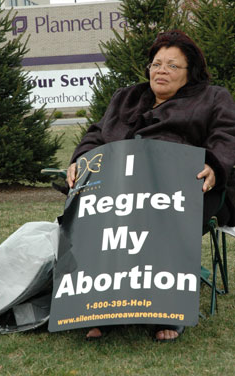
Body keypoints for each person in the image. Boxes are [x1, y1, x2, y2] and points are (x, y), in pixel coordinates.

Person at [67, 30, 235, 341]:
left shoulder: (214, 98)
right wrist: (80, 159)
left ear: (190, 73)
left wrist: (214, 165)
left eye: (172, 66)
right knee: (93, 215)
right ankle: (98, 308)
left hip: (192, 190)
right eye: (157, 64)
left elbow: (226, 138)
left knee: (155, 217)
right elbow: (96, 135)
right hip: (121, 188)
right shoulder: (126, 97)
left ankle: (165, 312)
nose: (161, 71)